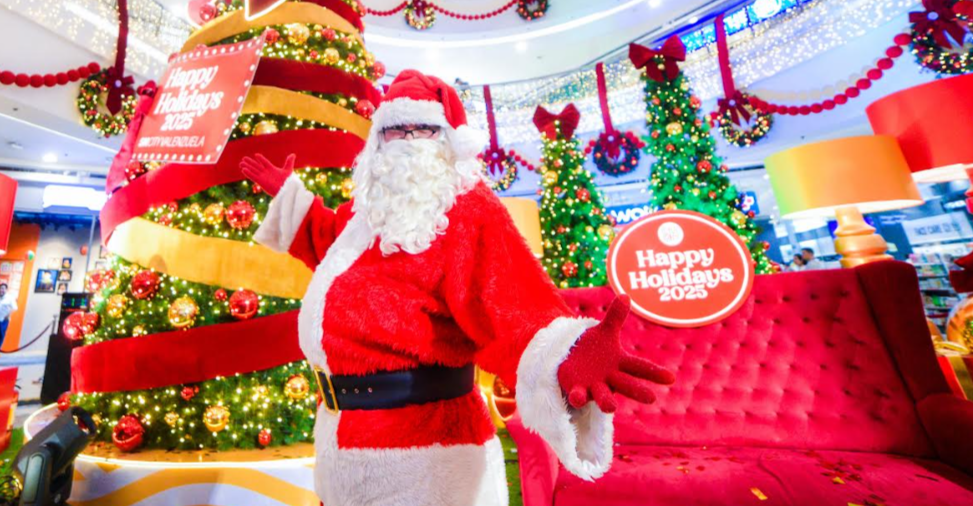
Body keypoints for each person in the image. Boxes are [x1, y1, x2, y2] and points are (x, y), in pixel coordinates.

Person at [242, 69, 675, 506]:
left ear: (449, 140)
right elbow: (333, 251)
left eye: (424, 129)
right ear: (379, 140)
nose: (409, 140)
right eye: (396, 130)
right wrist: (291, 201)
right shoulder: (367, 211)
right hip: (340, 441)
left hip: (427, 455)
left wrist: (571, 355)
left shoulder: (468, 209)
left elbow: (515, 306)